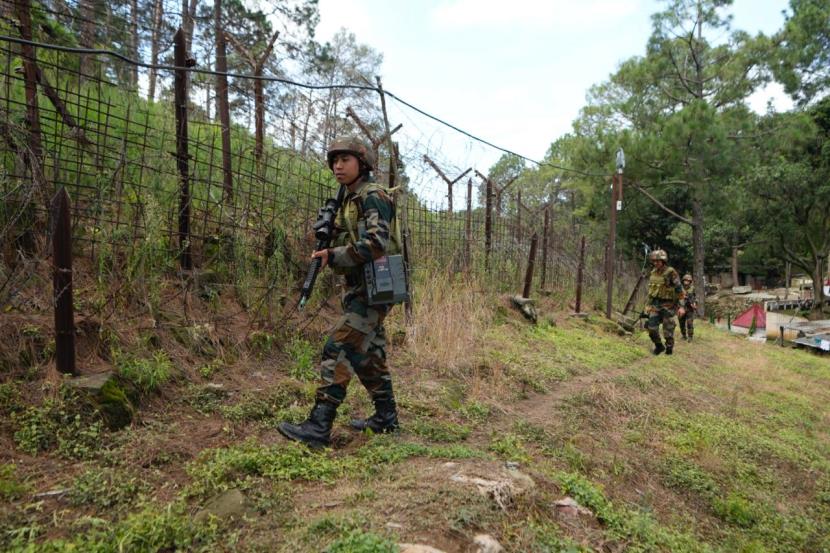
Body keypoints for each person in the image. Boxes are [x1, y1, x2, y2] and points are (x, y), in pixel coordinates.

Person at [278, 137, 401, 449]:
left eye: (345, 159)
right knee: (367, 354)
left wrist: (333, 255)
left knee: (338, 345)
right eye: (334, 160)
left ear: (363, 163)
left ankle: (319, 426)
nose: (337, 165)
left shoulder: (372, 195)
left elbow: (376, 244)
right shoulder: (349, 199)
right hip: (363, 287)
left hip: (378, 286)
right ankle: (386, 418)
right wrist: (327, 230)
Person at [645, 249, 686, 355]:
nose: (655, 263)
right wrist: (648, 305)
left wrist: (681, 307)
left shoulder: (670, 272)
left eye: (657, 261)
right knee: (651, 328)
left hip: (668, 305)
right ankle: (659, 346)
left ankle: (669, 347)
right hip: (655, 305)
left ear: (663, 261)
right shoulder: (653, 272)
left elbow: (679, 290)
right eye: (654, 261)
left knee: (668, 330)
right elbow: (651, 291)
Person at [678, 273, 697, 342]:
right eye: (685, 280)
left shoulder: (692, 288)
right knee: (681, 323)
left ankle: (690, 336)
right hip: (681, 307)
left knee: (689, 323)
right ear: (683, 281)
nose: (686, 282)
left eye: (688, 281)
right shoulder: (680, 288)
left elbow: (695, 297)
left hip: (689, 308)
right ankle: (684, 335)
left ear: (690, 281)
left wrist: (694, 303)